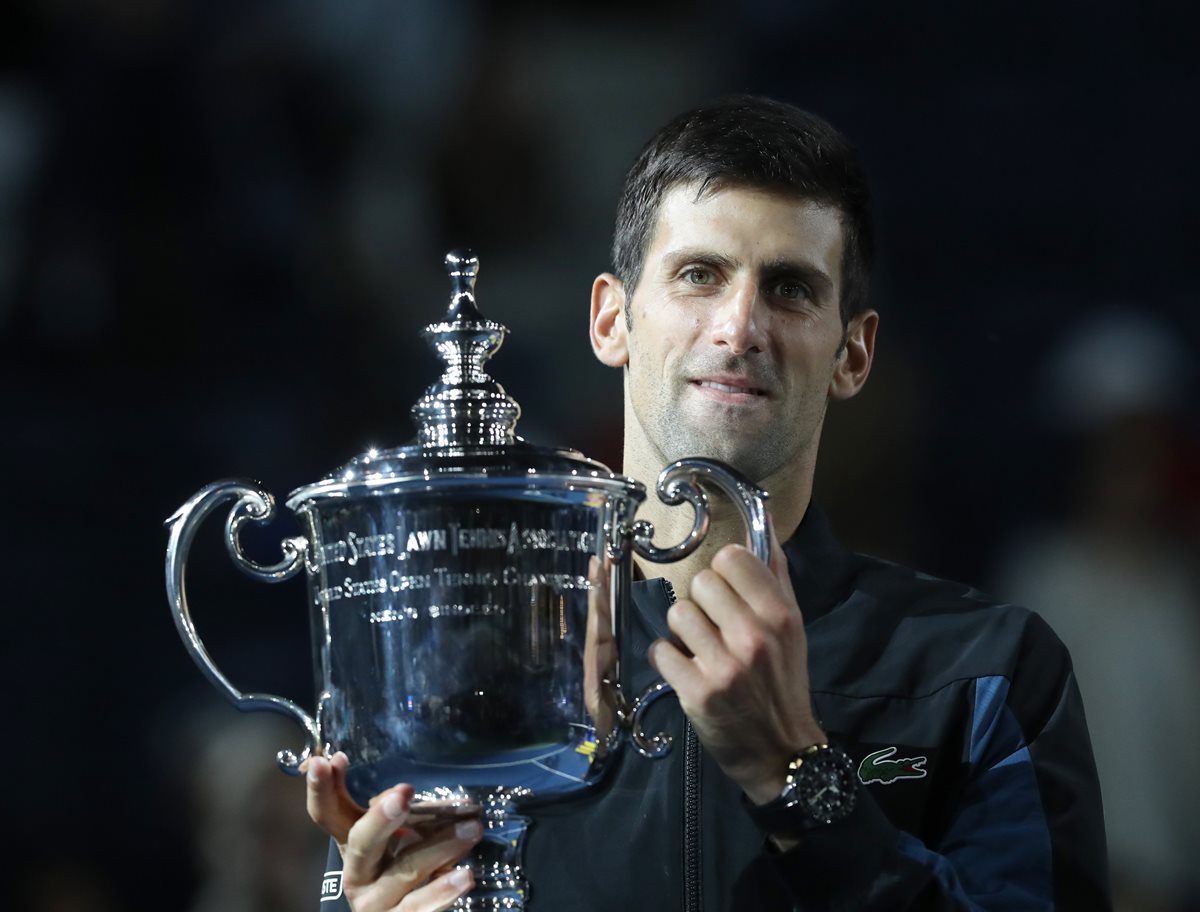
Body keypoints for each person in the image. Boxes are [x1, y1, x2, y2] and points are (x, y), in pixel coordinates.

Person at [304, 95, 1110, 911]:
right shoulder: (463, 682)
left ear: (853, 354)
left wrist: (797, 777)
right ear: (612, 319)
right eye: (699, 275)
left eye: (791, 289)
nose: (739, 327)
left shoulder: (985, 671)